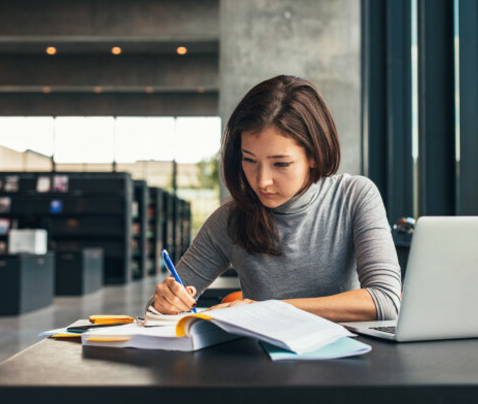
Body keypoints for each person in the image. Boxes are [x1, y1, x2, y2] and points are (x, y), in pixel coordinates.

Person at [151, 75, 401, 322]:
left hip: (347, 357)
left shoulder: (354, 196)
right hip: (263, 360)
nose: (262, 181)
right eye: (249, 160)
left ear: (314, 155)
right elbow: (155, 313)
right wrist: (163, 303)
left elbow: (386, 301)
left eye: (280, 163)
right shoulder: (229, 219)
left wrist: (265, 309)